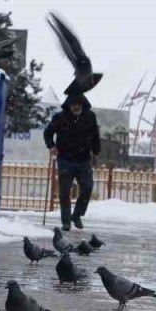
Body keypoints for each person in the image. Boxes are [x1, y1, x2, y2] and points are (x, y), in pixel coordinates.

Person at [43, 93, 101, 231]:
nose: (75, 107)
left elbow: (95, 136)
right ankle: (66, 221)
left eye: (78, 104)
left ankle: (77, 215)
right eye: (72, 104)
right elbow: (48, 132)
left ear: (82, 104)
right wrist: (51, 146)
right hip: (65, 159)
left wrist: (96, 152)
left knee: (87, 187)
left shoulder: (90, 116)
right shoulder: (60, 117)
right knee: (64, 191)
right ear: (68, 105)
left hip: (84, 159)